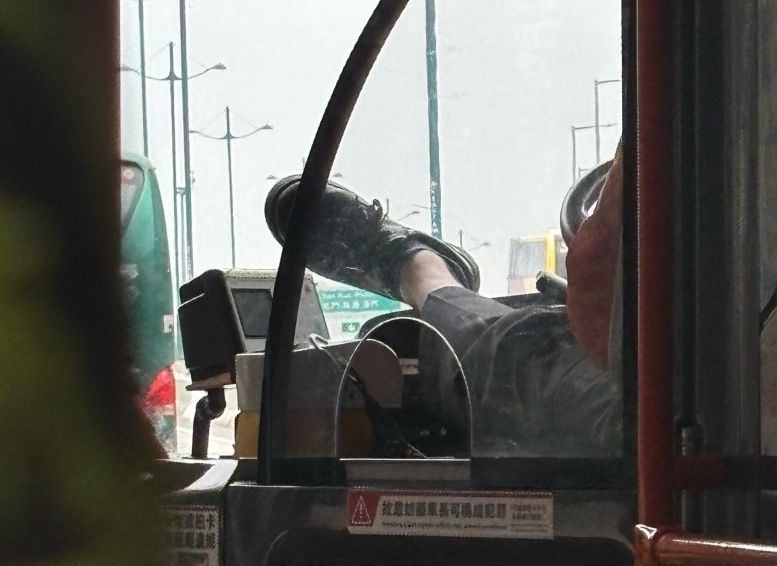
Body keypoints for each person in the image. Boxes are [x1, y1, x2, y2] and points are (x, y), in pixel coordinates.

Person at [265, 167, 623, 457]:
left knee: (523, 352)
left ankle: (422, 273)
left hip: (643, 410)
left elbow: (593, 267)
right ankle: (431, 280)